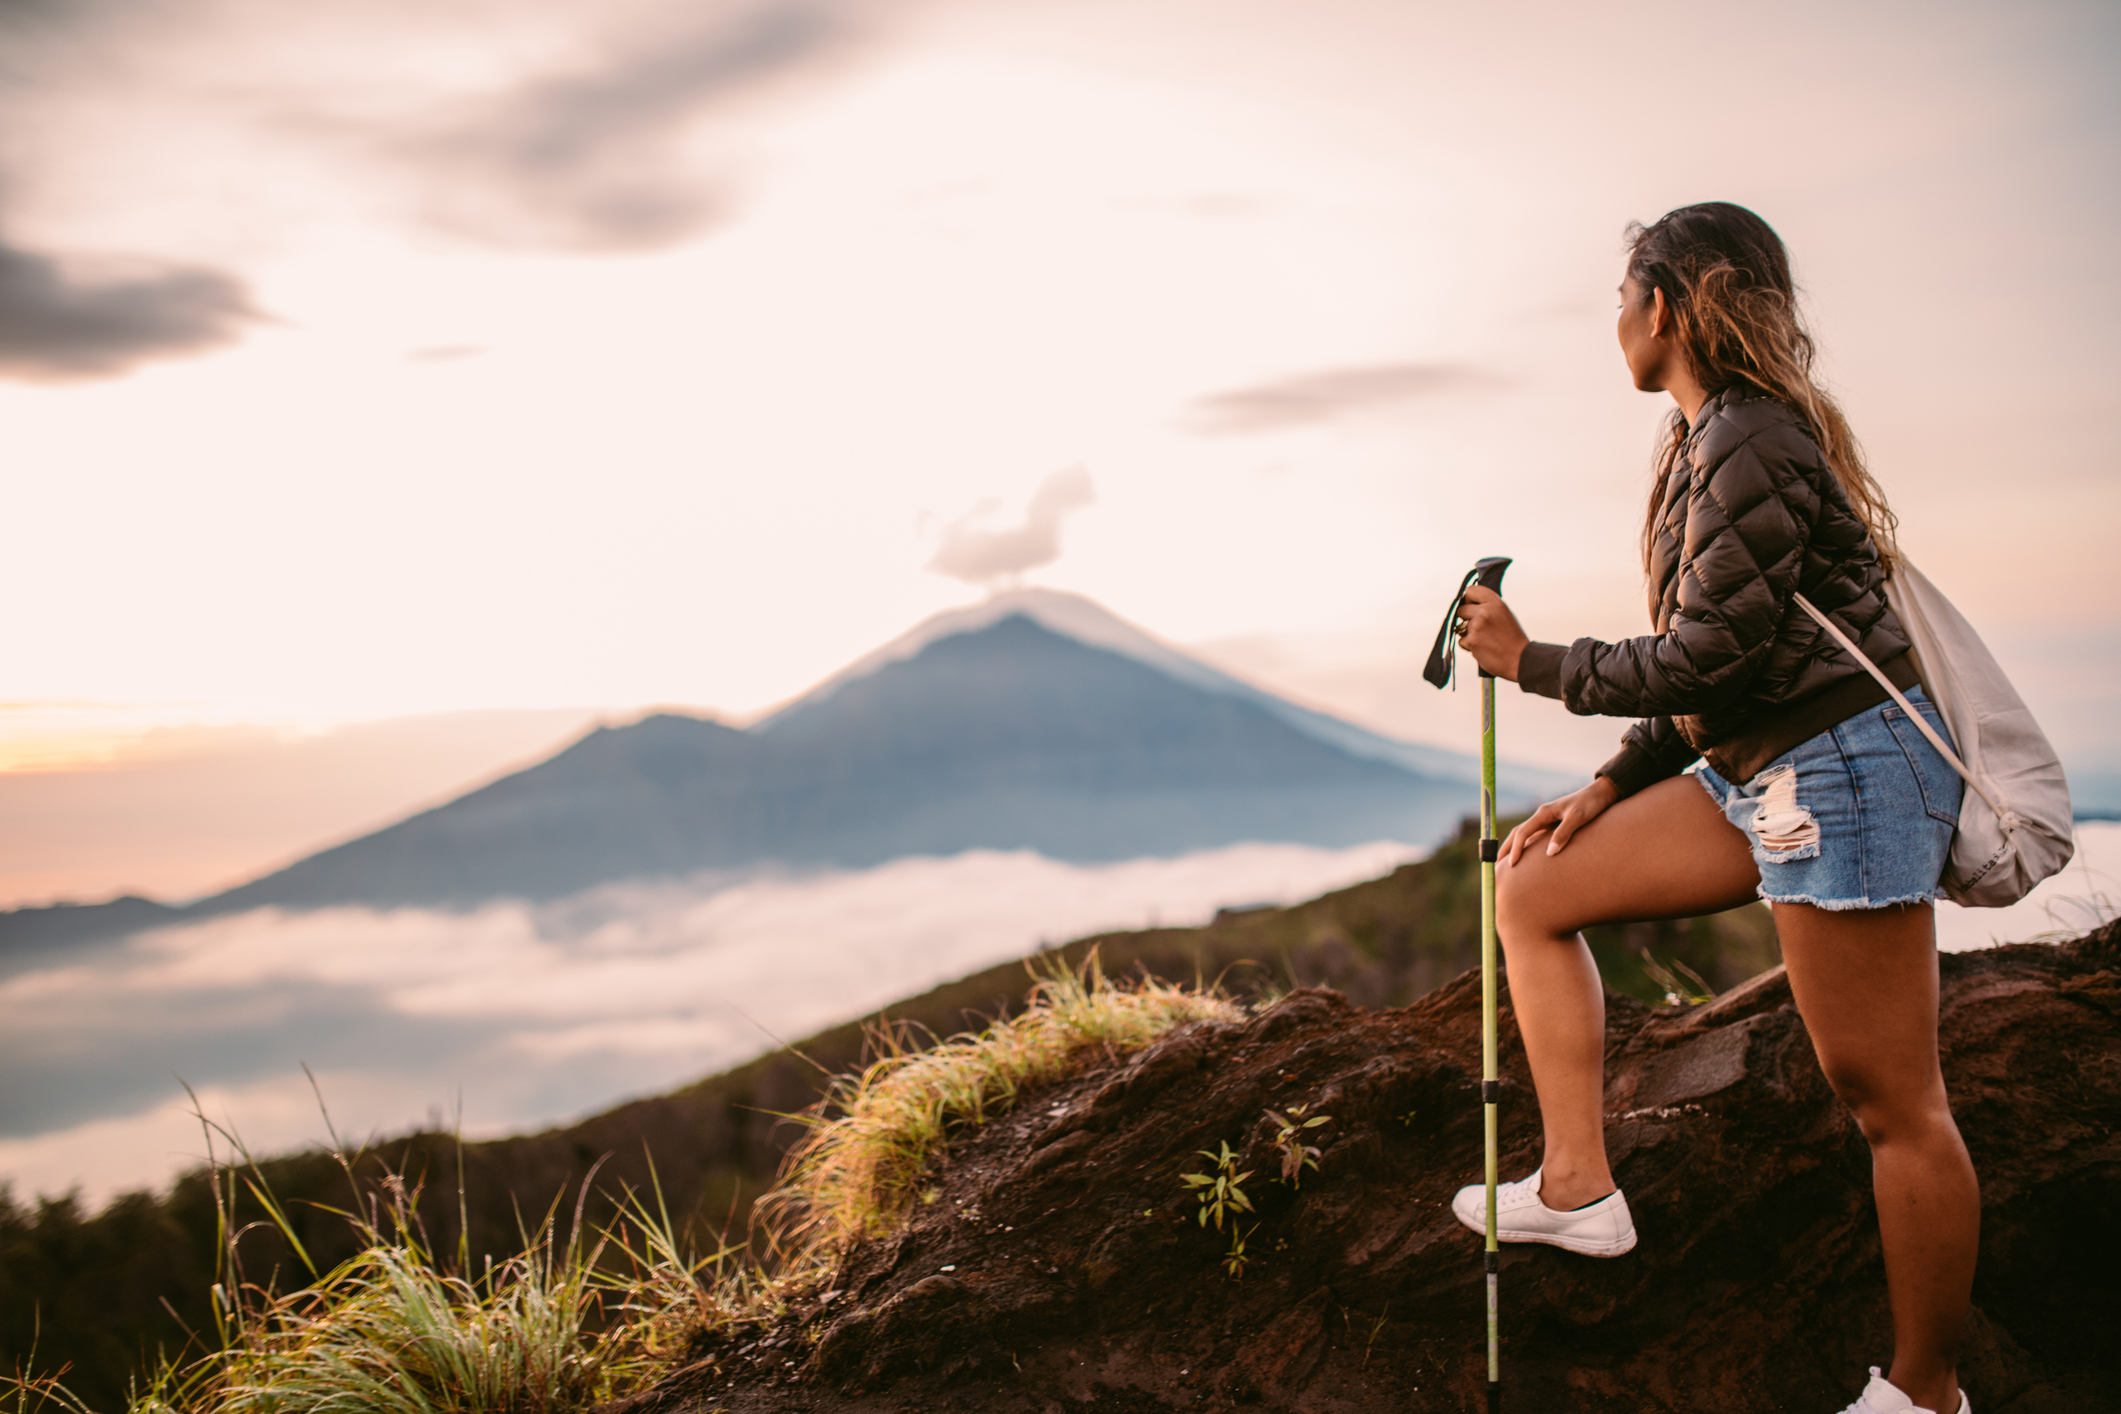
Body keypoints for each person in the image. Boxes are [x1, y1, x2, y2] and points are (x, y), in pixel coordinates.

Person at [1446, 202, 1977, 1414]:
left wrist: (1531, 661)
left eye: (1621, 299)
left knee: (1890, 1099)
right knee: (1533, 884)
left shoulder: (1753, 439)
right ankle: (1579, 1187)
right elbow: (1718, 668)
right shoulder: (1699, 445)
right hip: (1756, 768)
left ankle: (1928, 1393)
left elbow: (1709, 659)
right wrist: (1609, 784)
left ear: (1666, 306)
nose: (1614, 324)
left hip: (1845, 767)